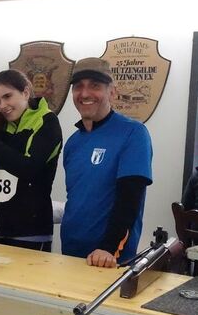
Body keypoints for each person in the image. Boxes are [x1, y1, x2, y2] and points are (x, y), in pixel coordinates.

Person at [60, 57, 153, 268]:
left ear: (112, 91)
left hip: (109, 258)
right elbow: (77, 198)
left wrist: (108, 247)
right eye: (78, 87)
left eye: (95, 86)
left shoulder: (133, 133)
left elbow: (130, 199)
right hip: (70, 252)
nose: (84, 94)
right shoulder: (74, 142)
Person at [0, 69, 62, 252]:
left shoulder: (47, 122)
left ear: (25, 92)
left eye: (8, 96)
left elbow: (28, 169)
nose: (2, 105)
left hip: (30, 233)